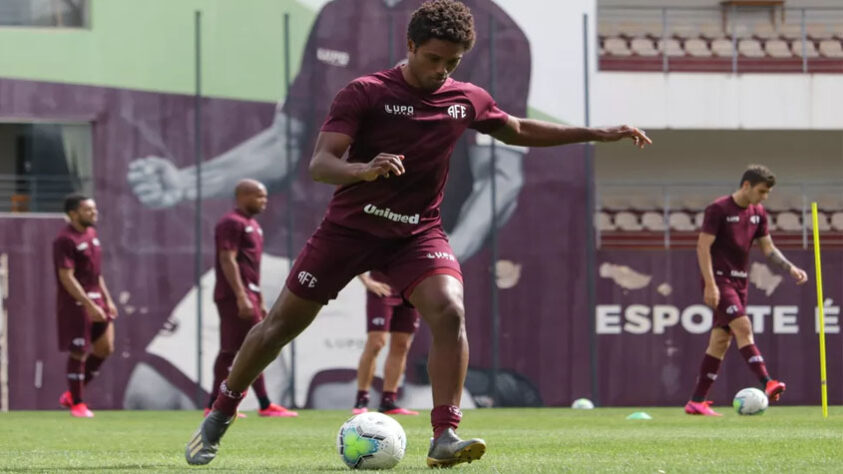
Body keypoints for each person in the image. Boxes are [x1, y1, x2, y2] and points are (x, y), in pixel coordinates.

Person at [185, 0, 650, 467]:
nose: (441, 70)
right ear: (410, 45)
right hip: (350, 230)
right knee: (280, 326)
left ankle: (445, 434)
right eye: (433, 58)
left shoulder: (465, 98)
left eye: (452, 62)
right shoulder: (364, 92)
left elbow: (516, 128)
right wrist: (365, 169)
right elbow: (320, 164)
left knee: (449, 311)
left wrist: (595, 133)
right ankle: (219, 415)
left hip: (417, 233)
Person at [126, 0, 530, 264]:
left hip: (393, 253)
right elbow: (286, 143)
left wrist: (441, 260)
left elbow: (501, 182)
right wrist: (183, 182)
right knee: (152, 389)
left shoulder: (496, 35)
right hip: (305, 243)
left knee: (344, 386)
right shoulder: (338, 13)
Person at [684, 165, 808, 416]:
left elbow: (768, 248)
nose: (764, 197)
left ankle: (696, 401)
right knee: (744, 327)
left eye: (767, 193)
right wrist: (709, 283)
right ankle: (768, 382)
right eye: (762, 191)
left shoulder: (758, 213)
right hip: (720, 280)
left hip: (741, 283)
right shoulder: (718, 209)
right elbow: (702, 247)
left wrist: (790, 268)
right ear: (746, 185)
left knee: (720, 341)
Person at [207, 179, 298, 418]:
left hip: (250, 296)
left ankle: (264, 404)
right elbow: (228, 259)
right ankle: (214, 405)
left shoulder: (253, 225)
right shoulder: (231, 223)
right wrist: (240, 296)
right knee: (232, 350)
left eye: (266, 197)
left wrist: (259, 300)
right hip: (234, 297)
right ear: (243, 196)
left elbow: (251, 269)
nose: (264, 201)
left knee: (254, 348)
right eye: (259, 196)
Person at [54, 195, 118, 418]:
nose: (94, 213)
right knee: (79, 352)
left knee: (105, 347)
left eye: (94, 209)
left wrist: (107, 299)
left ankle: (72, 394)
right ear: (73, 213)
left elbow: (96, 273)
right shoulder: (64, 239)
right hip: (76, 303)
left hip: (97, 298)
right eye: (88, 210)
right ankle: (77, 404)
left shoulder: (92, 234)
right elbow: (66, 277)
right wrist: (88, 304)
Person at [353, 271, 421, 416]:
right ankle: (361, 400)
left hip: (409, 290)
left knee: (402, 345)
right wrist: (366, 280)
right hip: (381, 288)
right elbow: (352, 251)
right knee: (376, 343)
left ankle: (388, 401)